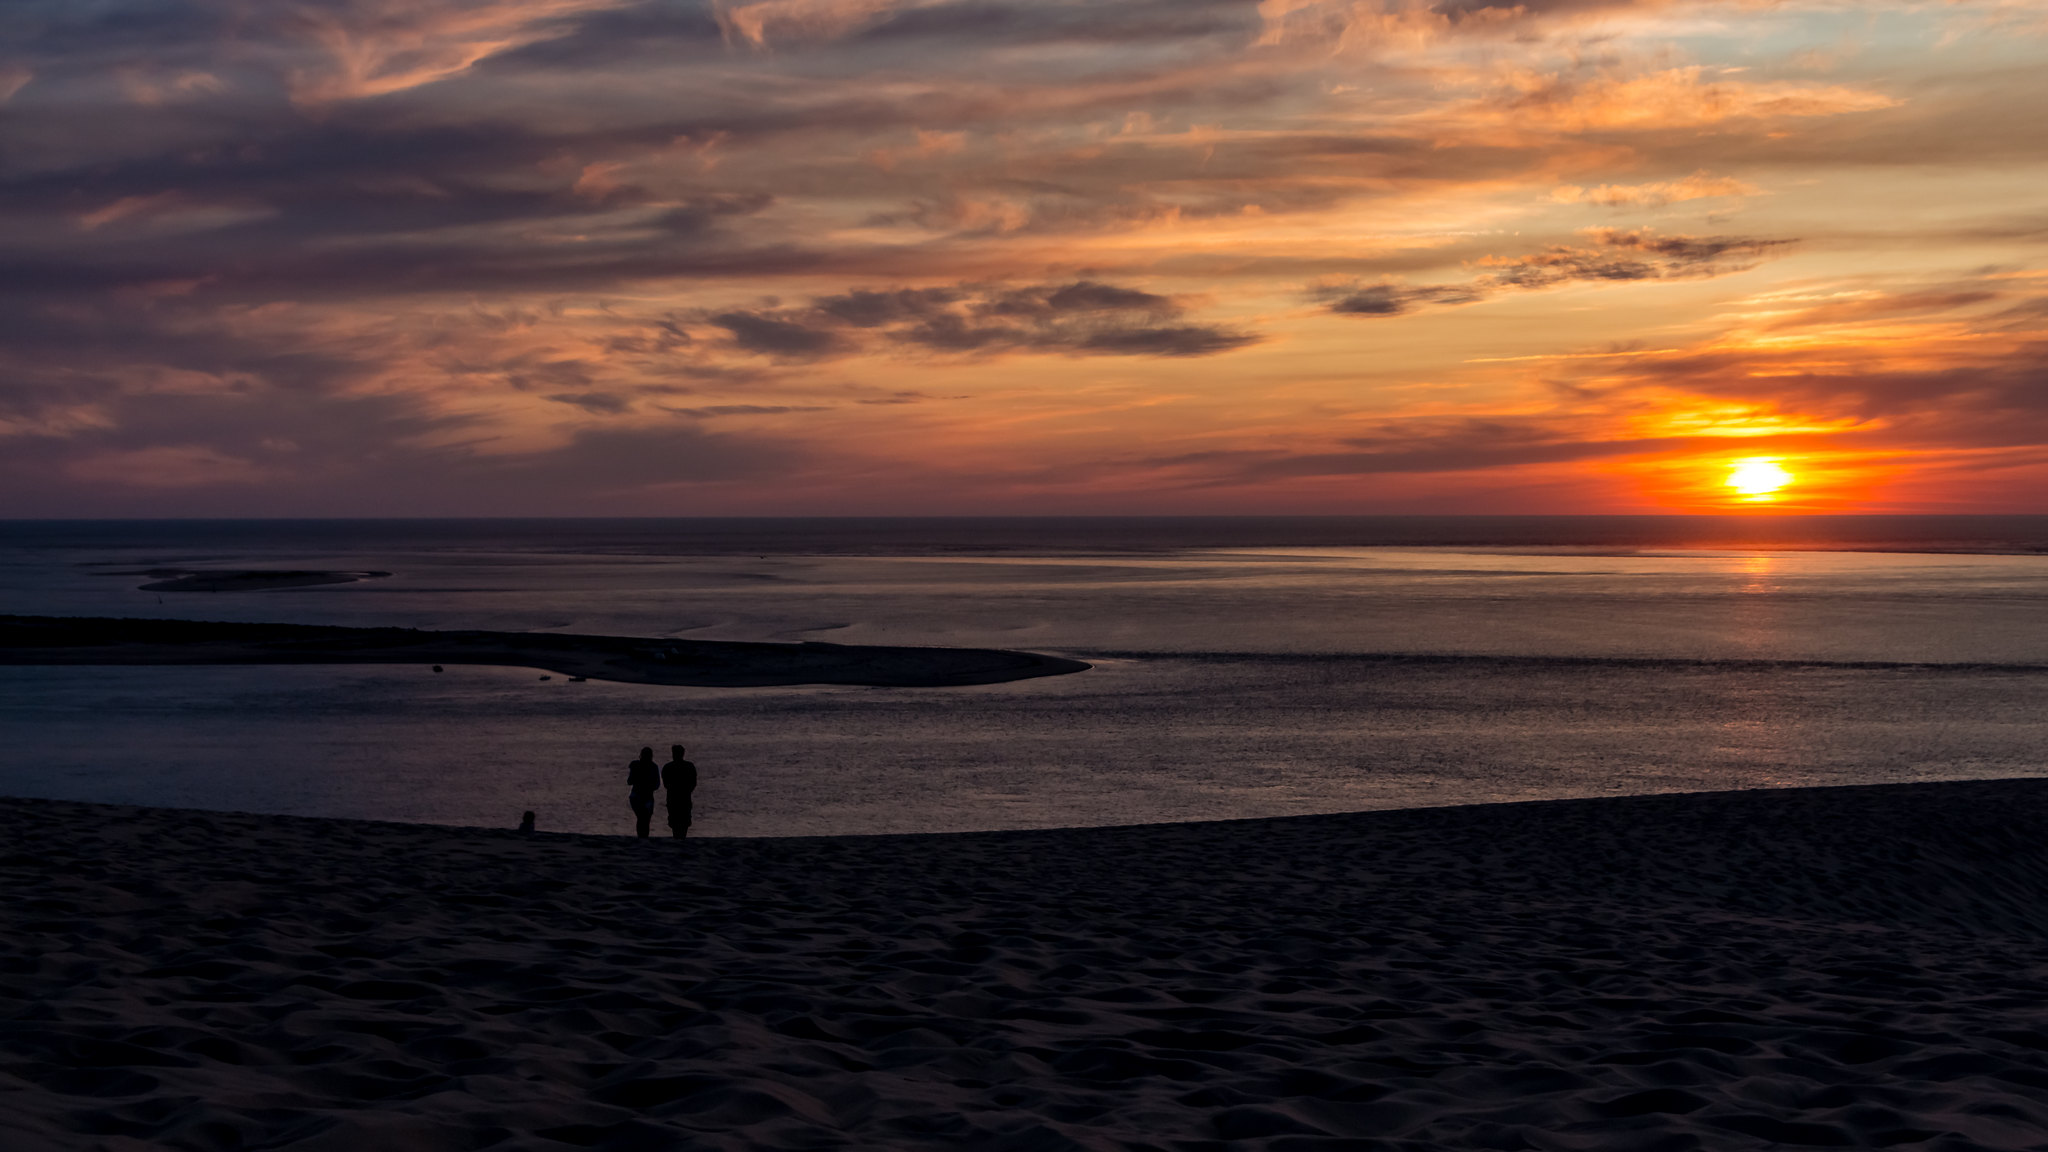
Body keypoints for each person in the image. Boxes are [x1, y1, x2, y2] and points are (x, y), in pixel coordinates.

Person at [661, 744, 698, 839]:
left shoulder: (668, 767)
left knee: (675, 821)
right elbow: (693, 783)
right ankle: (681, 838)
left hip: (674, 797)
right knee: (683, 821)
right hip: (684, 797)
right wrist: (687, 790)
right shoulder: (689, 766)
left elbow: (666, 784)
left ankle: (677, 838)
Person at [626, 747, 660, 838]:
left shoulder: (637, 765)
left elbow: (629, 781)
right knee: (644, 818)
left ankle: (642, 837)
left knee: (643, 818)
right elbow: (656, 785)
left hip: (641, 796)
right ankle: (643, 837)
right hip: (641, 796)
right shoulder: (652, 767)